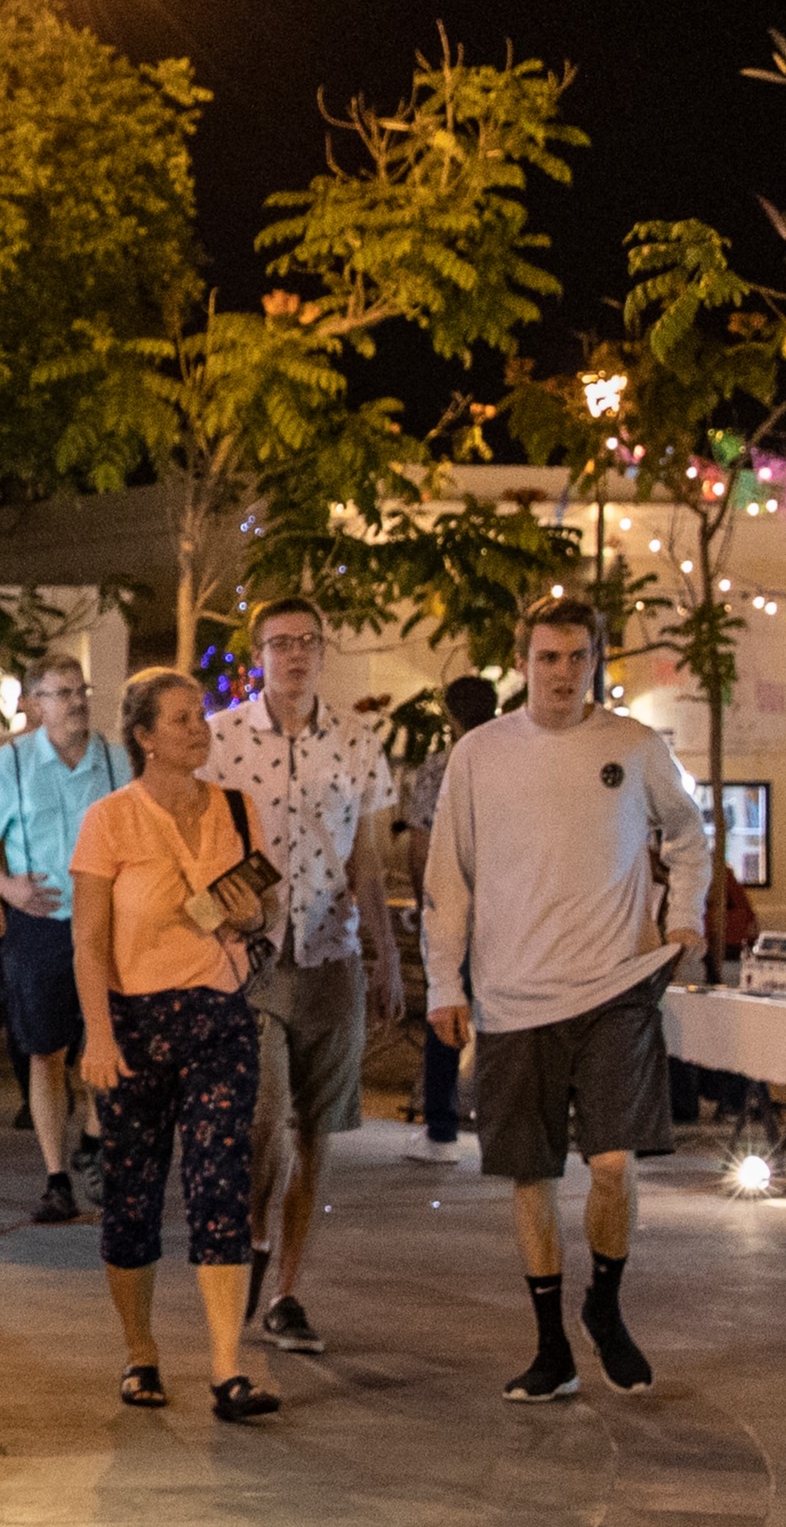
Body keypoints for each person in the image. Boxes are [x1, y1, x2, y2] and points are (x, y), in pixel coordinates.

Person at [424, 597, 702, 1402]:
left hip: (615, 986)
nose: (561, 672)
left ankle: (603, 1306)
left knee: (612, 1164)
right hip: (513, 997)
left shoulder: (633, 745)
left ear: (596, 660)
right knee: (531, 1176)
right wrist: (445, 982)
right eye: (547, 657)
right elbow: (448, 877)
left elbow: (687, 833)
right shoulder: (479, 755)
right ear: (523, 662)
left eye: (577, 656)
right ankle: (550, 1347)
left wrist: (680, 919)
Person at [70, 669, 277, 1423]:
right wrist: (96, 1032)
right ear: (145, 736)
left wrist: (252, 914)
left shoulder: (236, 808)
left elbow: (259, 913)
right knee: (133, 1188)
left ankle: (226, 1365)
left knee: (220, 1176)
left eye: (201, 717)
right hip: (133, 1024)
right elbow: (88, 942)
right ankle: (139, 1351)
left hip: (218, 1016)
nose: (199, 729)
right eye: (181, 719)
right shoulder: (108, 821)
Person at [206, 598, 405, 1358]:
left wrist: (383, 950)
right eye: (278, 643)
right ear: (257, 653)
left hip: (329, 950)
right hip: (250, 957)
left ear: (324, 650)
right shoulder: (221, 739)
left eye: (306, 642)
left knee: (316, 1128)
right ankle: (251, 1241)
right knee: (262, 1119)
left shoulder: (355, 739)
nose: (293, 654)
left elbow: (365, 854)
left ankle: (286, 1287)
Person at [0, 662, 129, 1223]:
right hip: (43, 919)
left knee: (106, 1040)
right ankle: (57, 1174)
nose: (76, 702)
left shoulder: (115, 758)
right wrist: (4, 885)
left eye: (81, 690)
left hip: (108, 919)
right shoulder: (10, 762)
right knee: (46, 1052)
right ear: (35, 703)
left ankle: (95, 1140)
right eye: (61, 693)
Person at [389, 673, 497, 1151]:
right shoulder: (513, 758)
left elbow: (421, 846)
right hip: (505, 910)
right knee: (504, 1013)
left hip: (453, 905)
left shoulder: (438, 766)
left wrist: (424, 903)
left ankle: (441, 1124)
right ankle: (500, 1119)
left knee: (444, 1010)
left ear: (450, 716)